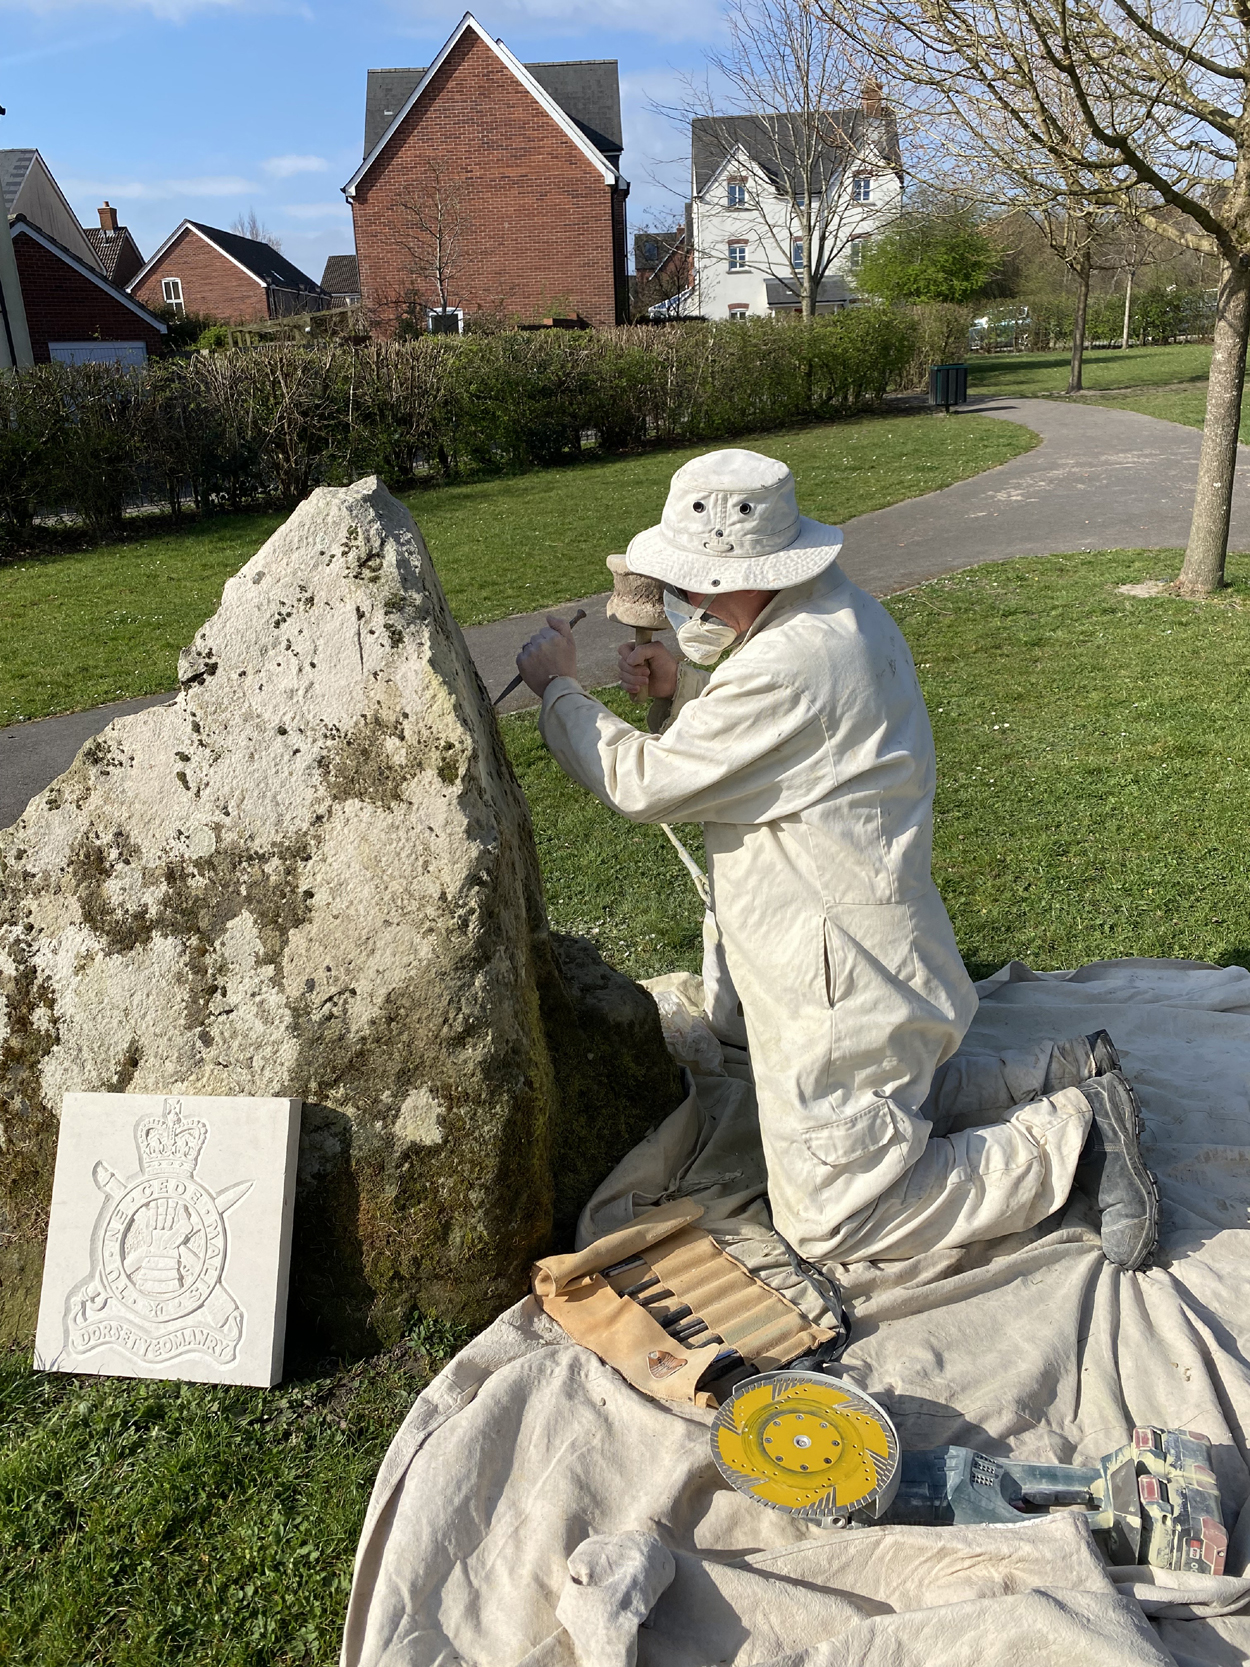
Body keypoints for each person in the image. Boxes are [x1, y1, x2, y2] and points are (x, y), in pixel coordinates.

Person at [516, 448, 1157, 1270]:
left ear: (757, 568)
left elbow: (642, 782)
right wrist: (680, 684)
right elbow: (776, 747)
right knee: (890, 1100)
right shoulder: (824, 614)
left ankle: (1076, 1140)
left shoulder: (795, 660)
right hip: (872, 954)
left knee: (833, 1218)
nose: (684, 601)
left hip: (842, 985)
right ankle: (1056, 1068)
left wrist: (559, 687)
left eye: (696, 584)